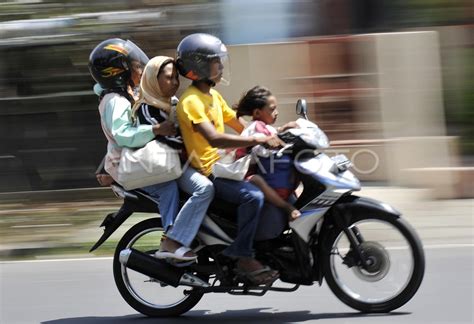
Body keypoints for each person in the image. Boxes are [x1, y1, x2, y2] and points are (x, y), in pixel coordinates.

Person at [175, 33, 281, 285]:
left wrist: (270, 132)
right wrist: (257, 140)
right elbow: (215, 139)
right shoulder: (191, 101)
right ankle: (242, 256)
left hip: (226, 165)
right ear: (199, 66)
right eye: (215, 61)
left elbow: (239, 124)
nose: (221, 66)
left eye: (221, 61)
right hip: (210, 171)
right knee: (252, 196)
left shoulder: (213, 96)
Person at [88, 39, 193, 262]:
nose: (141, 70)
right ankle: (171, 241)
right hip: (128, 164)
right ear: (118, 72)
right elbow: (123, 134)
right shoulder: (115, 100)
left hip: (135, 157)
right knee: (168, 188)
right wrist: (156, 129)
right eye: (136, 67)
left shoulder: (127, 93)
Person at [131, 55, 214, 261]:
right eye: (169, 77)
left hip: (181, 161)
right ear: (153, 79)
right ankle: (172, 240)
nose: (175, 82)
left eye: (177, 77)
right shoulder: (147, 108)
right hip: (166, 166)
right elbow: (169, 141)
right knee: (204, 189)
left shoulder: (174, 103)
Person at [235, 86, 301, 221]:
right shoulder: (255, 127)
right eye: (272, 109)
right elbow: (263, 150)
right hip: (246, 172)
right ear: (258, 113)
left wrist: (286, 128)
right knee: (257, 181)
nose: (276, 112)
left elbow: (273, 134)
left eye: (276, 108)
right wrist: (274, 145)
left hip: (263, 168)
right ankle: (286, 207)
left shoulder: (265, 126)